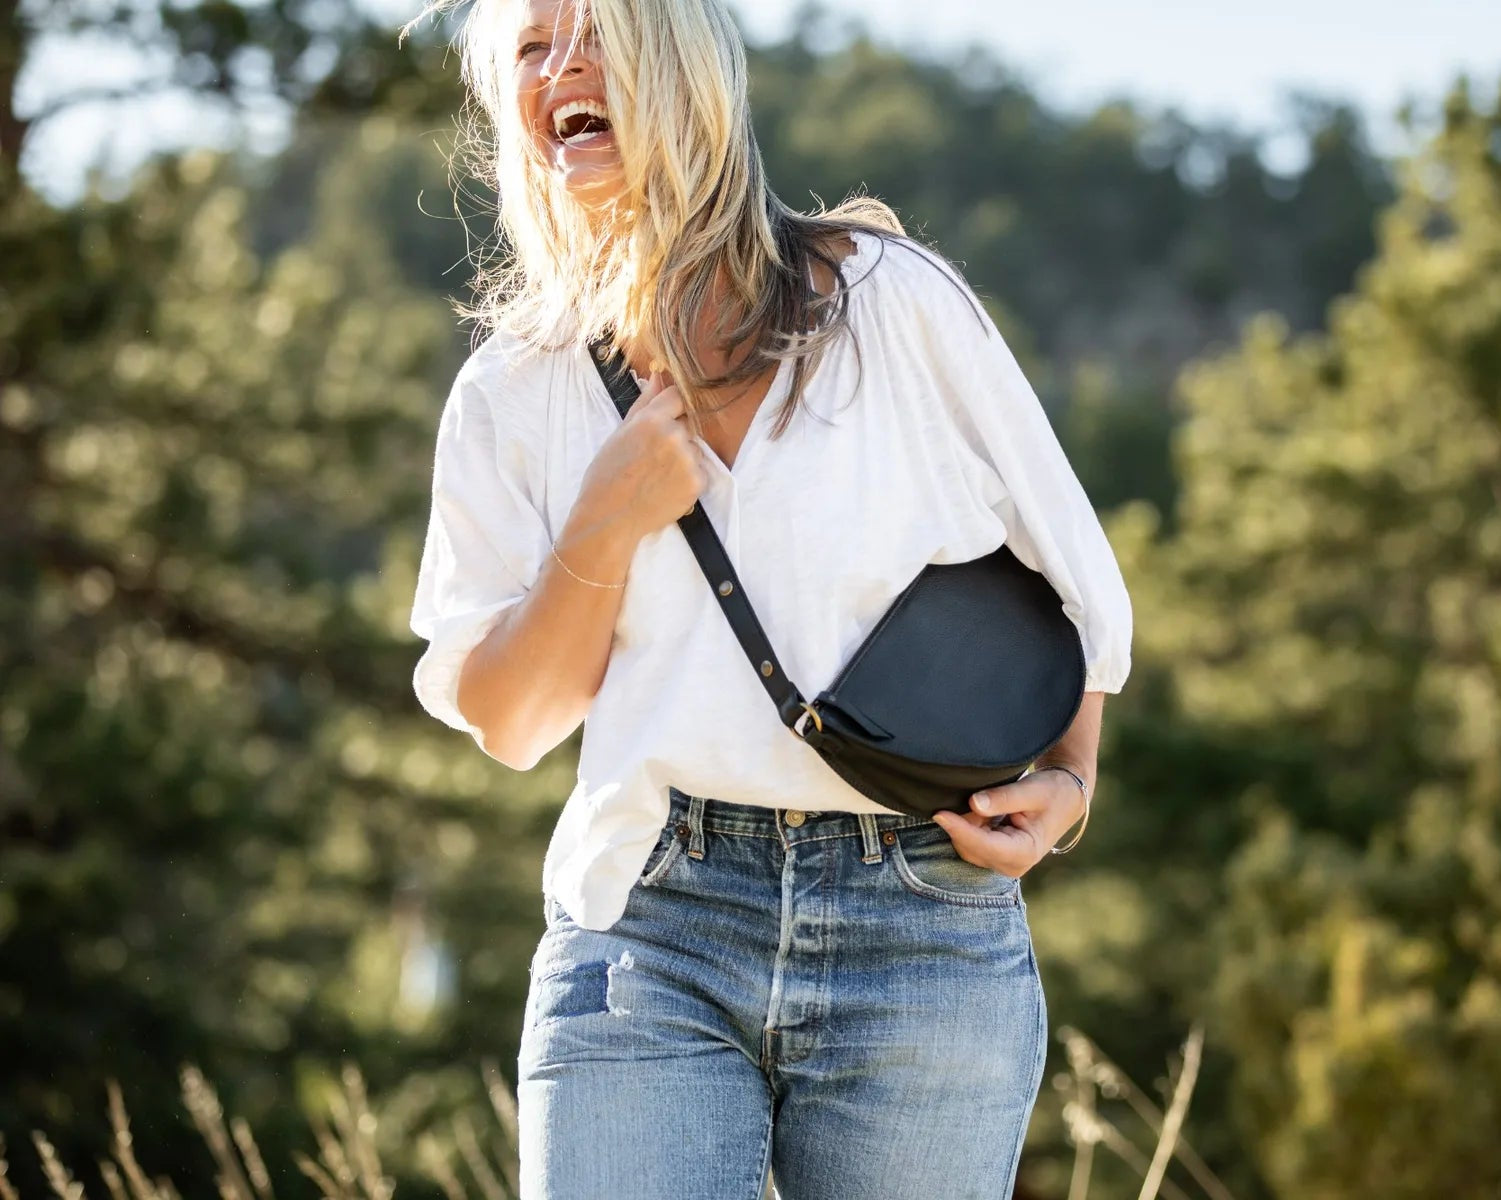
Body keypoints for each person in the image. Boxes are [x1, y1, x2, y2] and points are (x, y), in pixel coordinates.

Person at [406, 0, 1133, 1195]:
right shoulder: (513, 387)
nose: (561, 69)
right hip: (650, 922)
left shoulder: (889, 303)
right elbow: (509, 716)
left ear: (684, 67)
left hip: (923, 919)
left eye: (596, 36)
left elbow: (1073, 576)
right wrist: (604, 518)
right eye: (531, 48)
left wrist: (1072, 782)